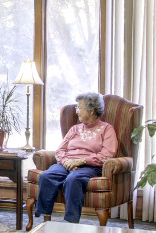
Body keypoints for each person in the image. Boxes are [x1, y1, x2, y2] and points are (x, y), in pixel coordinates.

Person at [33, 92, 118, 224]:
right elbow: (60, 150)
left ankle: (71, 221)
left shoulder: (106, 129)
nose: (76, 111)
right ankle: (45, 218)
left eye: (79, 108)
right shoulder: (74, 129)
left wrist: (82, 161)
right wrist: (66, 161)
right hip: (66, 163)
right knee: (47, 175)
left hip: (90, 167)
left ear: (91, 110)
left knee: (73, 179)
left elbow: (107, 154)